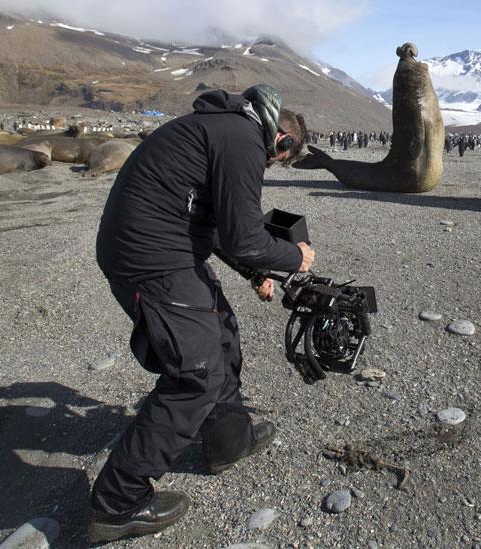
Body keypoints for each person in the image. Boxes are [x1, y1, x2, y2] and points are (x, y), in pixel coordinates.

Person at [89, 84, 315, 543]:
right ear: (282, 142)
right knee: (195, 374)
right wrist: (296, 258)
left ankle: (227, 442)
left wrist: (254, 273)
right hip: (151, 259)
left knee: (222, 332)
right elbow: (244, 237)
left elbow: (211, 225)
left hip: (163, 247)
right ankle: (117, 504)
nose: (271, 167)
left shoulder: (223, 128)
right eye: (278, 161)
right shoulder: (243, 139)